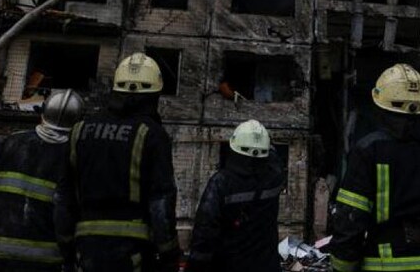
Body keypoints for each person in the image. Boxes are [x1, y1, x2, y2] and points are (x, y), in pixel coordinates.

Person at [329, 64, 420, 272]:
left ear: (380, 105)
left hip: (383, 264)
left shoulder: (369, 151)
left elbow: (350, 220)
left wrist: (341, 267)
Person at [55, 53, 180, 272]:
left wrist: (66, 249)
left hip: (85, 252)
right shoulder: (153, 135)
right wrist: (169, 254)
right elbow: (161, 203)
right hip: (134, 254)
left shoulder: (79, 131)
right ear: (154, 95)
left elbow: (63, 199)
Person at [0, 89, 85, 272]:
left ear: (43, 114)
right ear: (78, 124)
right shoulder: (73, 159)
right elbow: (68, 216)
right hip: (41, 263)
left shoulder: (10, 143)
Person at [187, 119, 286, 272]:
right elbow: (274, 159)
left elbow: (204, 235)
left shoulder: (221, 183)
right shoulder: (274, 177)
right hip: (267, 265)